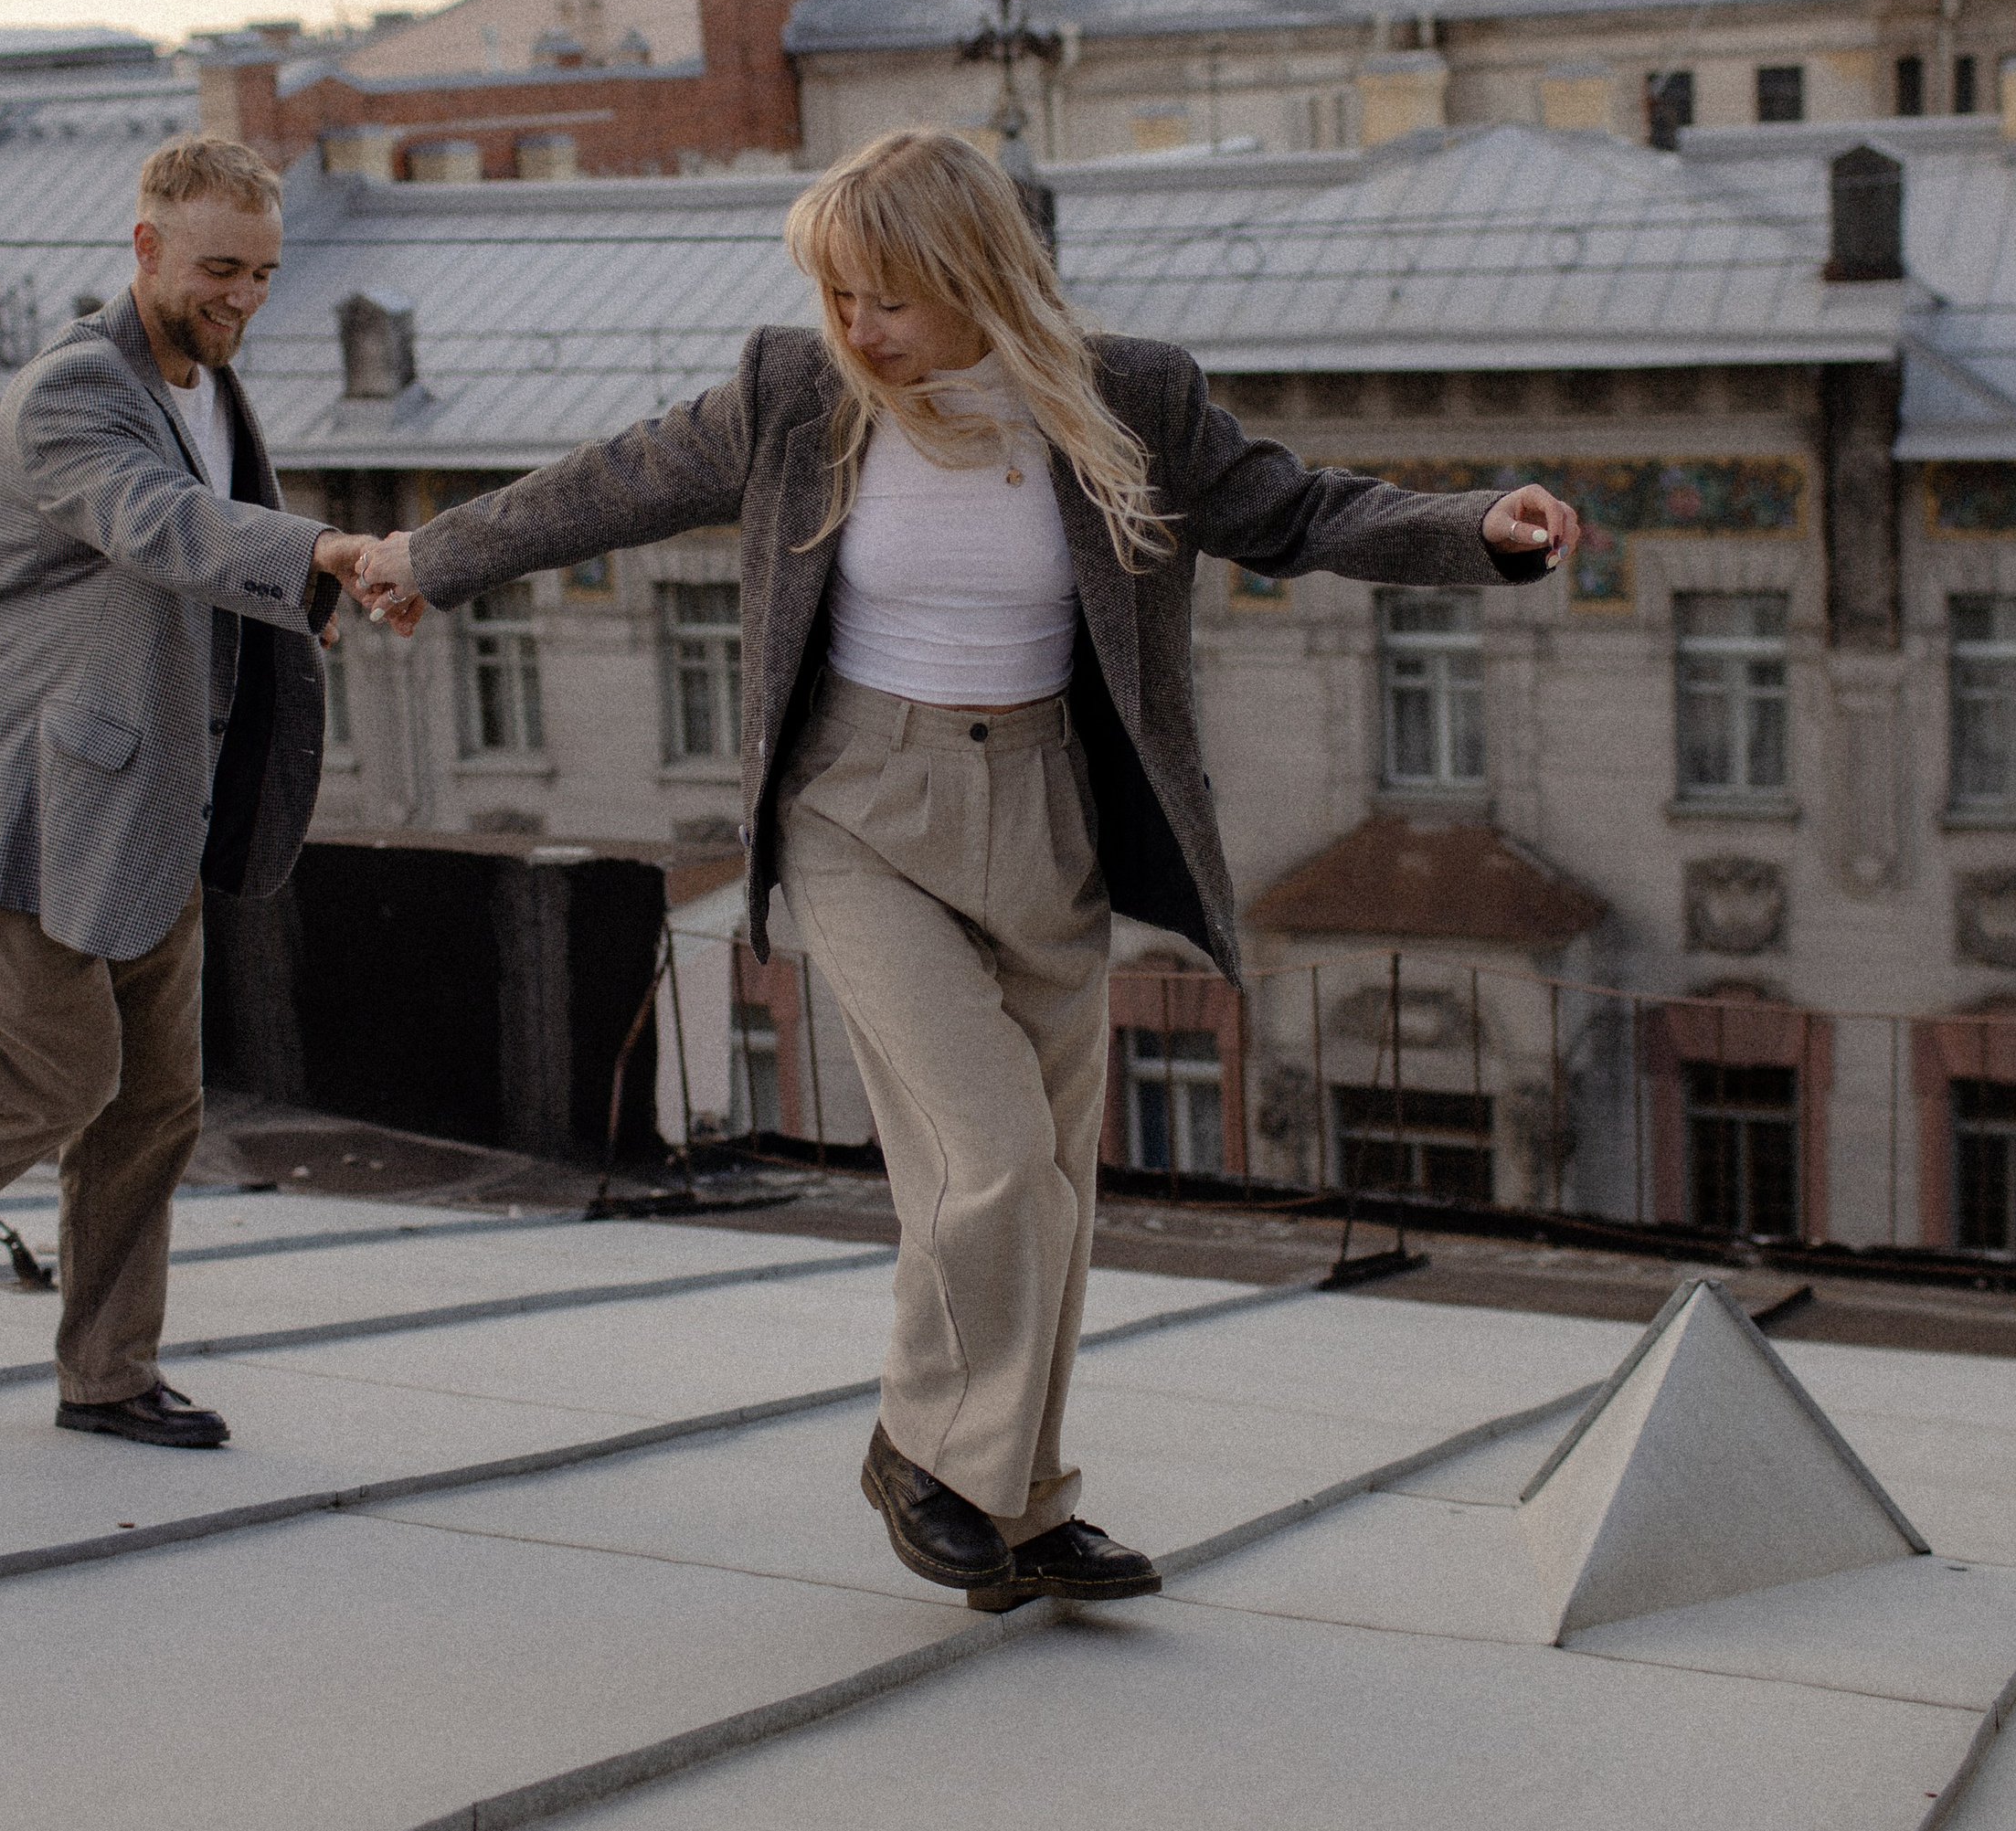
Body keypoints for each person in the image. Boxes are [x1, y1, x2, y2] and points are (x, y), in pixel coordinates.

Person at [351, 125, 1577, 1604]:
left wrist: (1474, 529)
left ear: (976, 275)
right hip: (859, 807)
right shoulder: (797, 392)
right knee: (988, 1158)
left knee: (1053, 1182)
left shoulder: (1129, 397)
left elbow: (1295, 508)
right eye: (833, 295)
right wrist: (430, 558)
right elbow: (614, 483)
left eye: (885, 298)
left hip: (1050, 813)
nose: (854, 329)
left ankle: (1022, 1504)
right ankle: (924, 1453)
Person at [0, 133, 412, 1440]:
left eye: (261, 273)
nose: (242, 297)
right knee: (39, 1086)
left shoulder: (213, 388)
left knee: (152, 1109)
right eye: (218, 269)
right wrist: (318, 549)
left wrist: (311, 602)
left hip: (155, 809)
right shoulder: (70, 392)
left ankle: (108, 1376)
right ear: (145, 248)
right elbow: (162, 524)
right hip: (23, 807)